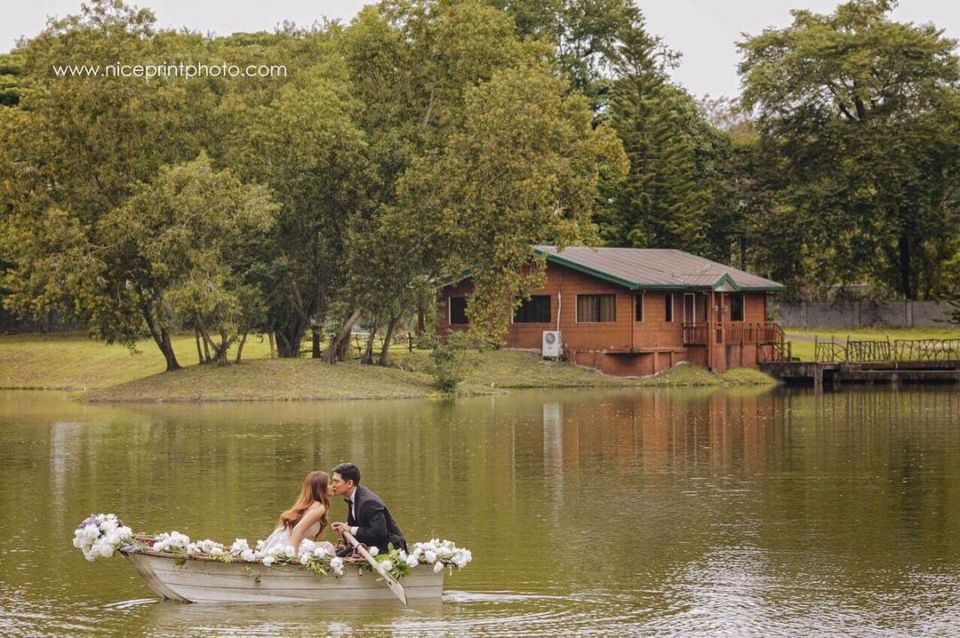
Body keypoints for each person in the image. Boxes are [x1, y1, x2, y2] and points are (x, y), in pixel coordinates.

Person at [329, 462, 407, 554]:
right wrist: (345, 526)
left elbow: (379, 533)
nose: (333, 485)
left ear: (349, 483)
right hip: (371, 545)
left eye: (336, 481)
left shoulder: (369, 502)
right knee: (337, 555)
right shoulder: (354, 495)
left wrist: (350, 529)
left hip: (391, 548)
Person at [261, 470, 333, 553]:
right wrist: (294, 557)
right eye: (329, 484)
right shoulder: (319, 508)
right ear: (321, 488)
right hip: (286, 545)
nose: (332, 487)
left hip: (282, 540)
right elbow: (297, 531)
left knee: (323, 546)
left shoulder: (309, 503)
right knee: (327, 547)